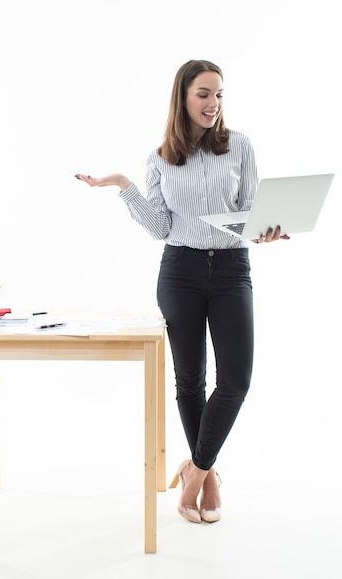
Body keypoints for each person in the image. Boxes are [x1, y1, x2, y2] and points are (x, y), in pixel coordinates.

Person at [75, 59, 289, 525]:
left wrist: (266, 230)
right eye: (204, 94)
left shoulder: (240, 147)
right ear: (183, 97)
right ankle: (208, 476)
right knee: (189, 380)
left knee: (235, 381)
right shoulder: (160, 158)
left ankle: (195, 469)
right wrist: (124, 186)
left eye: (219, 95)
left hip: (232, 270)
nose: (214, 104)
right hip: (180, 271)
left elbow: (250, 211)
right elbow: (160, 227)